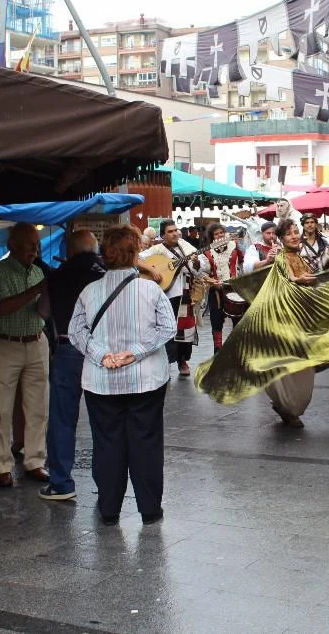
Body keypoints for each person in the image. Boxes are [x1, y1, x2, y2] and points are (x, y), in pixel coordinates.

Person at [196, 218, 329, 428]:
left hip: (300, 320)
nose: (294, 236)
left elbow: (309, 277)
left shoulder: (300, 255)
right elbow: (287, 278)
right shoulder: (281, 257)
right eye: (289, 233)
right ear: (281, 238)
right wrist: (298, 280)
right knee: (289, 370)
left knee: (299, 368)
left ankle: (286, 406)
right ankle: (287, 407)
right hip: (284, 323)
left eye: (295, 232)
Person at [68, 226, 176, 525]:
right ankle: (150, 509)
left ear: (105, 254)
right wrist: (136, 352)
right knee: (146, 442)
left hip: (101, 380)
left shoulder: (89, 291)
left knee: (107, 443)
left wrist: (101, 355)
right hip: (146, 379)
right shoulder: (150, 289)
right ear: (136, 253)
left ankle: (109, 509)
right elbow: (168, 328)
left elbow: (75, 331)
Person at [37, 230, 106, 501]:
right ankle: (107, 483)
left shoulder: (57, 275)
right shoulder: (107, 273)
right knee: (103, 419)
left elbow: (42, 311)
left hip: (68, 348)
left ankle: (61, 484)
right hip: (102, 352)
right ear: (95, 248)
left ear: (70, 249)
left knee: (62, 419)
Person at [0, 223, 50, 488]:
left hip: (36, 342)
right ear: (12, 245)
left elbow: (42, 309)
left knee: (38, 407)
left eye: (37, 244)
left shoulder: (38, 272)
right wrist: (37, 289)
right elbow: (4, 306)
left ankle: (34, 461)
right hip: (5, 344)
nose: (35, 249)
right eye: (30, 244)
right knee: (1, 407)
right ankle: (2, 466)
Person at [141, 219, 206, 378]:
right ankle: (166, 363)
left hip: (185, 292)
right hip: (165, 294)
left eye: (176, 230)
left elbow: (202, 267)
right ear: (163, 235)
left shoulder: (186, 246)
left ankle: (182, 361)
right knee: (166, 328)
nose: (175, 233)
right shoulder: (157, 249)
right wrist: (152, 269)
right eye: (170, 231)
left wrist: (197, 262)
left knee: (185, 328)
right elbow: (138, 259)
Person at [204, 222, 243, 353]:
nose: (220, 235)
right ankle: (218, 351)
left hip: (234, 288)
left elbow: (242, 262)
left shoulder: (234, 246)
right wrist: (212, 281)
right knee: (216, 320)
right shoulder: (207, 252)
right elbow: (204, 273)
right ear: (212, 237)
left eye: (221, 233)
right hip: (216, 290)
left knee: (238, 319)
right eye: (216, 234)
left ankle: (236, 349)